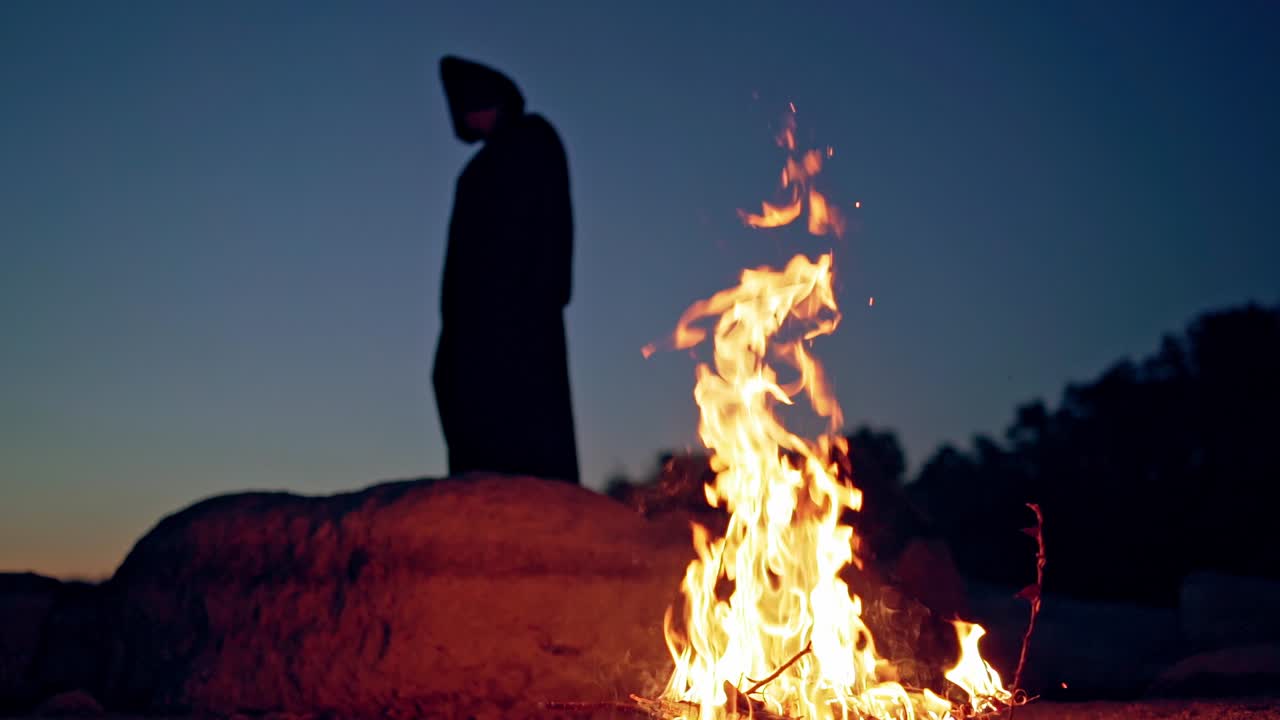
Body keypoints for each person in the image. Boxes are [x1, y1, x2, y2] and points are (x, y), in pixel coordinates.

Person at [433, 55, 580, 485]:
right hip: (470, 321)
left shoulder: (534, 139)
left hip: (520, 315)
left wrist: (536, 295)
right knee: (459, 394)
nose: (466, 116)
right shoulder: (474, 173)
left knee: (526, 421)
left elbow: (551, 226)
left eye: (471, 104)